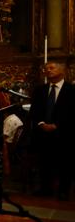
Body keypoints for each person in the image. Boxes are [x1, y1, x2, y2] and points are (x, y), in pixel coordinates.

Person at [30, 61, 75, 199]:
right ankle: (45, 188)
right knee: (44, 162)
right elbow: (34, 111)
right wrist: (41, 123)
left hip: (64, 133)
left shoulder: (71, 90)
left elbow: (73, 112)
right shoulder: (40, 90)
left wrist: (57, 125)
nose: (48, 70)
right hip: (43, 132)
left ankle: (63, 190)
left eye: (51, 68)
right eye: (46, 68)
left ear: (62, 70)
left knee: (64, 162)